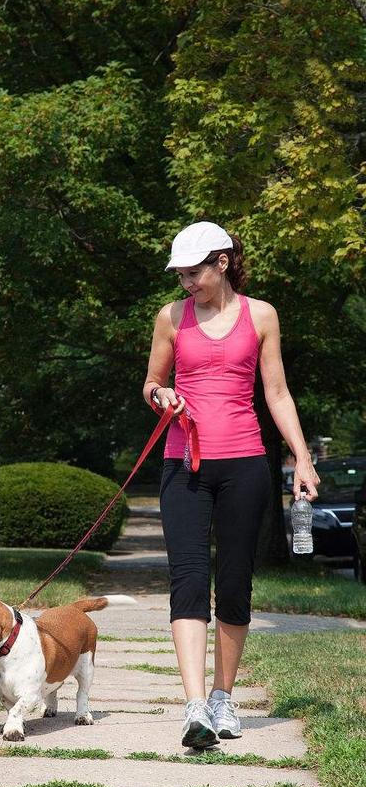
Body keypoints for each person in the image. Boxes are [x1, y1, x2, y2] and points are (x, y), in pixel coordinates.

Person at [142, 221, 320, 749]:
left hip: (244, 463)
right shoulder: (170, 318)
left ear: (222, 262)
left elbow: (278, 393)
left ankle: (223, 697)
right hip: (184, 465)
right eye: (180, 275)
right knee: (189, 579)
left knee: (236, 581)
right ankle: (195, 707)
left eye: (193, 272)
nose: (186, 283)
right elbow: (152, 383)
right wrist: (162, 397)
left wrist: (302, 459)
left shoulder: (260, 315)